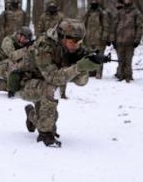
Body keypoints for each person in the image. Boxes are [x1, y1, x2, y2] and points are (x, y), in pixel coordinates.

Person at [11, 18, 105, 147]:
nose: (77, 44)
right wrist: (78, 67)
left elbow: (81, 82)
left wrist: (87, 66)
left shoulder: (71, 46)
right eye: (74, 41)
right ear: (62, 37)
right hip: (25, 82)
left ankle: (31, 115)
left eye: (80, 41)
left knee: (51, 118)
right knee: (49, 98)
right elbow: (52, 77)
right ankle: (45, 134)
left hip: (44, 81)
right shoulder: (44, 46)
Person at [0, 26, 33, 95]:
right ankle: (11, 90)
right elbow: (13, 56)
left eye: (28, 40)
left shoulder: (22, 43)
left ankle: (0, 84)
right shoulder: (7, 41)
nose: (26, 41)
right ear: (19, 35)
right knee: (12, 63)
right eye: (25, 39)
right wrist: (26, 49)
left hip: (8, 67)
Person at [114, 0, 143, 82]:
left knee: (128, 60)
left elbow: (139, 27)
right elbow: (114, 26)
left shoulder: (136, 12)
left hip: (130, 41)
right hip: (119, 40)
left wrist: (137, 39)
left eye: (128, 0)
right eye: (125, 0)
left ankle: (128, 76)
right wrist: (112, 39)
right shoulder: (120, 12)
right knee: (120, 60)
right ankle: (120, 75)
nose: (127, 2)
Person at [82, 0, 111, 79]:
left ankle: (98, 73)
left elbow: (106, 26)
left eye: (95, 2)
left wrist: (104, 37)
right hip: (88, 39)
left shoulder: (102, 13)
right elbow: (83, 24)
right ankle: (91, 72)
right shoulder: (88, 13)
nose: (93, 4)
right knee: (89, 56)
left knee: (100, 56)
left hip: (99, 39)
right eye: (92, 2)